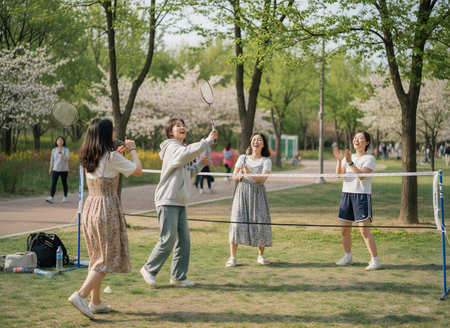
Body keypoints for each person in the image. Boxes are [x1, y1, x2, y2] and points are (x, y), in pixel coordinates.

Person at [68, 118, 142, 319]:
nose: (113, 134)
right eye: (111, 131)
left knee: (97, 256)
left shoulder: (88, 156)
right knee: (106, 258)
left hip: (91, 208)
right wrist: (133, 150)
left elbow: (107, 167)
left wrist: (118, 155)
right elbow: (138, 170)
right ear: (105, 134)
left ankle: (95, 302)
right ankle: (81, 295)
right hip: (106, 209)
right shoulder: (111, 157)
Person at [140, 118, 218, 288]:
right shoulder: (171, 147)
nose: (182, 127)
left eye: (183, 125)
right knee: (168, 239)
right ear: (170, 132)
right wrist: (206, 141)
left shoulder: (181, 149)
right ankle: (148, 269)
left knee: (183, 241)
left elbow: (186, 172)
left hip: (179, 202)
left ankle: (178, 276)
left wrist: (198, 165)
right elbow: (182, 157)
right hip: (167, 199)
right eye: (177, 126)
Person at [333, 130, 381, 271]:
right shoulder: (348, 157)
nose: (356, 140)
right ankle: (348, 257)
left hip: (361, 196)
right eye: (355, 138)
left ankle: (375, 260)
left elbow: (361, 176)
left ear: (367, 142)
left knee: (364, 231)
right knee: (344, 230)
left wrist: (349, 162)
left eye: (360, 138)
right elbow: (338, 176)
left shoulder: (369, 158)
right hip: (347, 194)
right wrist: (339, 160)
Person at [226, 132, 272, 267]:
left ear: (263, 144)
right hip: (242, 193)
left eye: (259, 140)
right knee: (236, 222)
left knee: (260, 222)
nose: (256, 142)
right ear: (251, 142)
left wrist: (250, 173)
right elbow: (233, 177)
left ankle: (261, 255)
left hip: (258, 195)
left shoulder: (266, 161)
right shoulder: (242, 158)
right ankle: (232, 257)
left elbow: (263, 179)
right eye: (254, 140)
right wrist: (240, 174)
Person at [46, 136, 70, 203]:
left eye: (61, 140)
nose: (60, 141)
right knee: (53, 183)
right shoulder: (54, 150)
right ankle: (51, 197)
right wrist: (50, 169)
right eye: (58, 140)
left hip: (64, 169)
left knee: (64, 183)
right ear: (56, 142)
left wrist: (61, 152)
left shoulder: (66, 150)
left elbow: (66, 158)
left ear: (63, 142)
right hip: (55, 169)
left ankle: (65, 197)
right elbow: (52, 160)